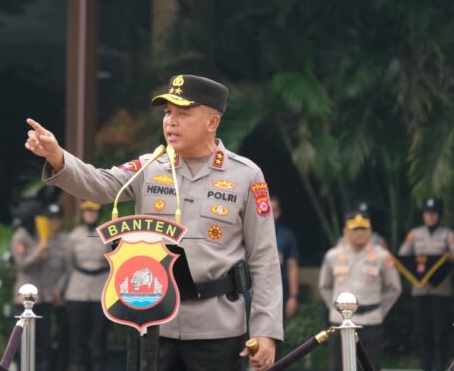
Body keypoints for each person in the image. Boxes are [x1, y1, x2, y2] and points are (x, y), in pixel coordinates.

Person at [24, 74, 283, 371]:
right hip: (152, 321)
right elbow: (99, 184)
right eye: (167, 113)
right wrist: (57, 155)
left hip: (217, 327)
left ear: (213, 122)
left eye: (183, 113)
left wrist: (266, 330)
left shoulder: (245, 176)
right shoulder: (150, 166)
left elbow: (264, 258)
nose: (171, 121)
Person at [319, 211, 401, 371]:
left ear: (370, 231)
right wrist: (336, 309)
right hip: (340, 322)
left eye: (364, 229)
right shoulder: (333, 255)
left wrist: (379, 311)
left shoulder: (382, 256)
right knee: (338, 367)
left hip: (371, 322)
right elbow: (324, 286)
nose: (360, 233)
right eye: (355, 229)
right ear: (345, 231)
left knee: (369, 367)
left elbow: (394, 288)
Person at [398, 197, 454, 371]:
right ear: (423, 215)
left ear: (439, 215)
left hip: (441, 292)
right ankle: (425, 366)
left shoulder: (448, 235)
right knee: (422, 332)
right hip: (419, 291)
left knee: (440, 333)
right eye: (427, 213)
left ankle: (440, 366)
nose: (430, 217)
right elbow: (403, 256)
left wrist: (446, 259)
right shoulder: (415, 234)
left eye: (434, 214)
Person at [11, 202, 71, 371]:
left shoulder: (41, 234)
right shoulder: (20, 237)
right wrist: (39, 250)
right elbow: (22, 264)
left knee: (44, 341)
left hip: (43, 295)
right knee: (23, 339)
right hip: (24, 297)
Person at [62, 199, 110, 371]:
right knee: (78, 335)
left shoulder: (108, 232)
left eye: (94, 211)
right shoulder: (74, 235)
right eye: (87, 211)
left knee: (99, 335)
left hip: (101, 286)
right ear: (83, 213)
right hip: (78, 287)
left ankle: (98, 367)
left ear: (98, 213)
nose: (90, 214)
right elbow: (68, 264)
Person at [271, 197, 301, 316]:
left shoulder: (287, 236)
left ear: (279, 212)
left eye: (275, 210)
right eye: (267, 209)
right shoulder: (250, 233)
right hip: (253, 291)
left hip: (279, 291)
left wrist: (293, 296)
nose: (271, 214)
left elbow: (292, 267)